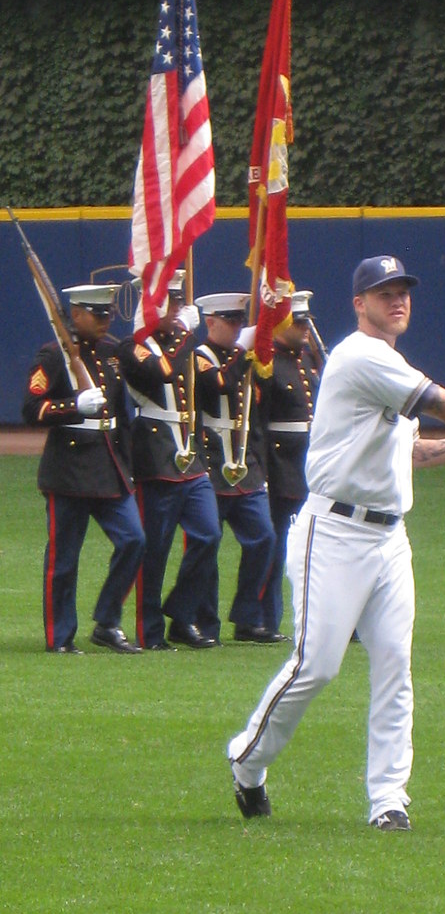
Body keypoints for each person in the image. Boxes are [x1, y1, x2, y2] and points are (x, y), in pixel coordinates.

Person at [227, 254, 445, 830]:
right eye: (384, 292)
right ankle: (248, 762)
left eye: (403, 291)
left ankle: (388, 800)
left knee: (395, 666)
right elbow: (444, 404)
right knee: (315, 667)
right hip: (333, 534)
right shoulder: (360, 357)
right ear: (359, 304)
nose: (397, 300)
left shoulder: (392, 363)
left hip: (390, 539)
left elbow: (412, 453)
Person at [22, 283, 145, 654]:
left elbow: (122, 416)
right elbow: (32, 409)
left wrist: (129, 464)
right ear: (76, 315)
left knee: (134, 540)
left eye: (108, 313)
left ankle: (107, 621)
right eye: (97, 314)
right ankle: (60, 637)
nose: (106, 320)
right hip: (69, 469)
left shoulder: (111, 353)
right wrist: (73, 406)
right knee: (64, 559)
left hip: (109, 465)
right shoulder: (53, 355)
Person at [118, 272, 221, 651]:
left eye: (179, 301)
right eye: (169, 302)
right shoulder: (133, 347)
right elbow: (161, 374)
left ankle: (181, 612)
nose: (177, 309)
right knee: (156, 548)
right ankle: (149, 631)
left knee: (208, 534)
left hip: (190, 458)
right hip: (156, 456)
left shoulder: (185, 345)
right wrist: (185, 334)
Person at [192, 292, 277, 643]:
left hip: (246, 468)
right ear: (210, 322)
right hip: (211, 465)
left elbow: (256, 415)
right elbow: (218, 385)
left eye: (240, 321)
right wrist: (243, 351)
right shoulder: (199, 358)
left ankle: (247, 618)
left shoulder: (245, 361)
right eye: (230, 322)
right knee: (206, 546)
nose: (237, 327)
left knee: (264, 537)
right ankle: (204, 622)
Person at [256, 290, 320, 643]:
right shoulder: (268, 364)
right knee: (278, 547)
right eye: (298, 322)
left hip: (309, 463)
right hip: (281, 466)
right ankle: (266, 619)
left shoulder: (305, 359)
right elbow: (259, 424)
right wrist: (265, 471)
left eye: (307, 321)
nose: (305, 328)